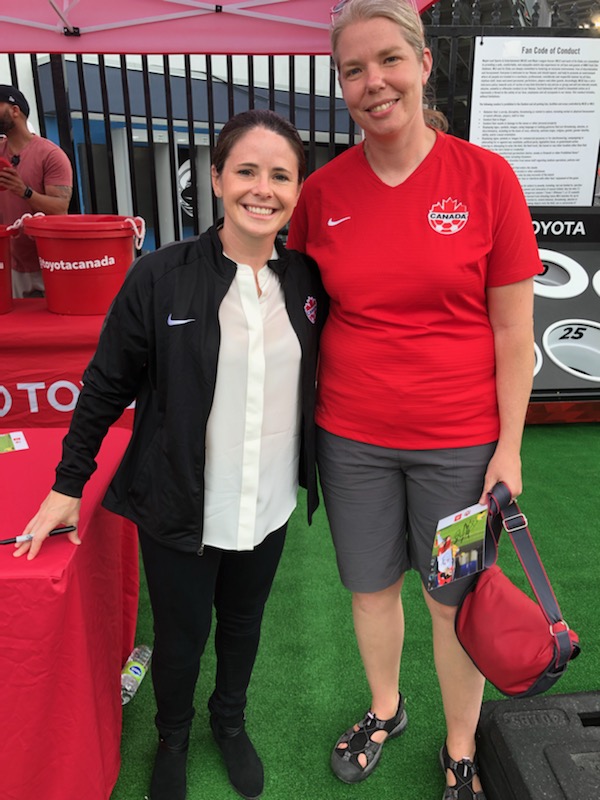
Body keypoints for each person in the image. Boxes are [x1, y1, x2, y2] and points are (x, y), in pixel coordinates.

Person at [15, 108, 326, 800]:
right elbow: (104, 386)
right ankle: (175, 737)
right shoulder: (159, 277)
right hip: (178, 506)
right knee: (182, 638)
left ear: (298, 189)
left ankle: (230, 722)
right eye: (246, 170)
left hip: (269, 501)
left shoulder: (306, 282)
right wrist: (70, 483)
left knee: (244, 624)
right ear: (216, 179)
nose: (263, 188)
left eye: (281, 175)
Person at [287, 2, 541, 798]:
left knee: (450, 602)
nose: (373, 83)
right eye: (353, 70)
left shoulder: (486, 178)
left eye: (388, 61)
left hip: (461, 446)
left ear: (424, 63)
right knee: (370, 591)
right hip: (351, 440)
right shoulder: (322, 193)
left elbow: (512, 332)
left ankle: (460, 745)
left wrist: (508, 448)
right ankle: (387, 708)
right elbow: (294, 312)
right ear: (341, 86)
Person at [0, 84, 73, 297]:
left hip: (49, 262)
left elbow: (60, 208)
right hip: (10, 263)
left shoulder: (50, 155)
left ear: (15, 110)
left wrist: (24, 191)